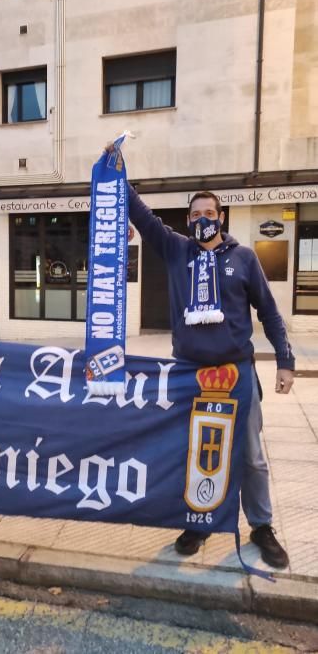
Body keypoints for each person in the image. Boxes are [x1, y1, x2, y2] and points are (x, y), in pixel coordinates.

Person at [123, 171, 294, 569]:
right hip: (190, 374)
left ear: (221, 217)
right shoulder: (177, 250)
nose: (203, 218)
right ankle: (199, 521)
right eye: (195, 213)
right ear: (188, 221)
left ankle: (262, 525)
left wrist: (285, 361)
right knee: (200, 451)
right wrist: (120, 176)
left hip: (237, 371)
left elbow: (268, 312)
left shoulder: (244, 258)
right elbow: (144, 217)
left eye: (209, 212)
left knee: (251, 455)